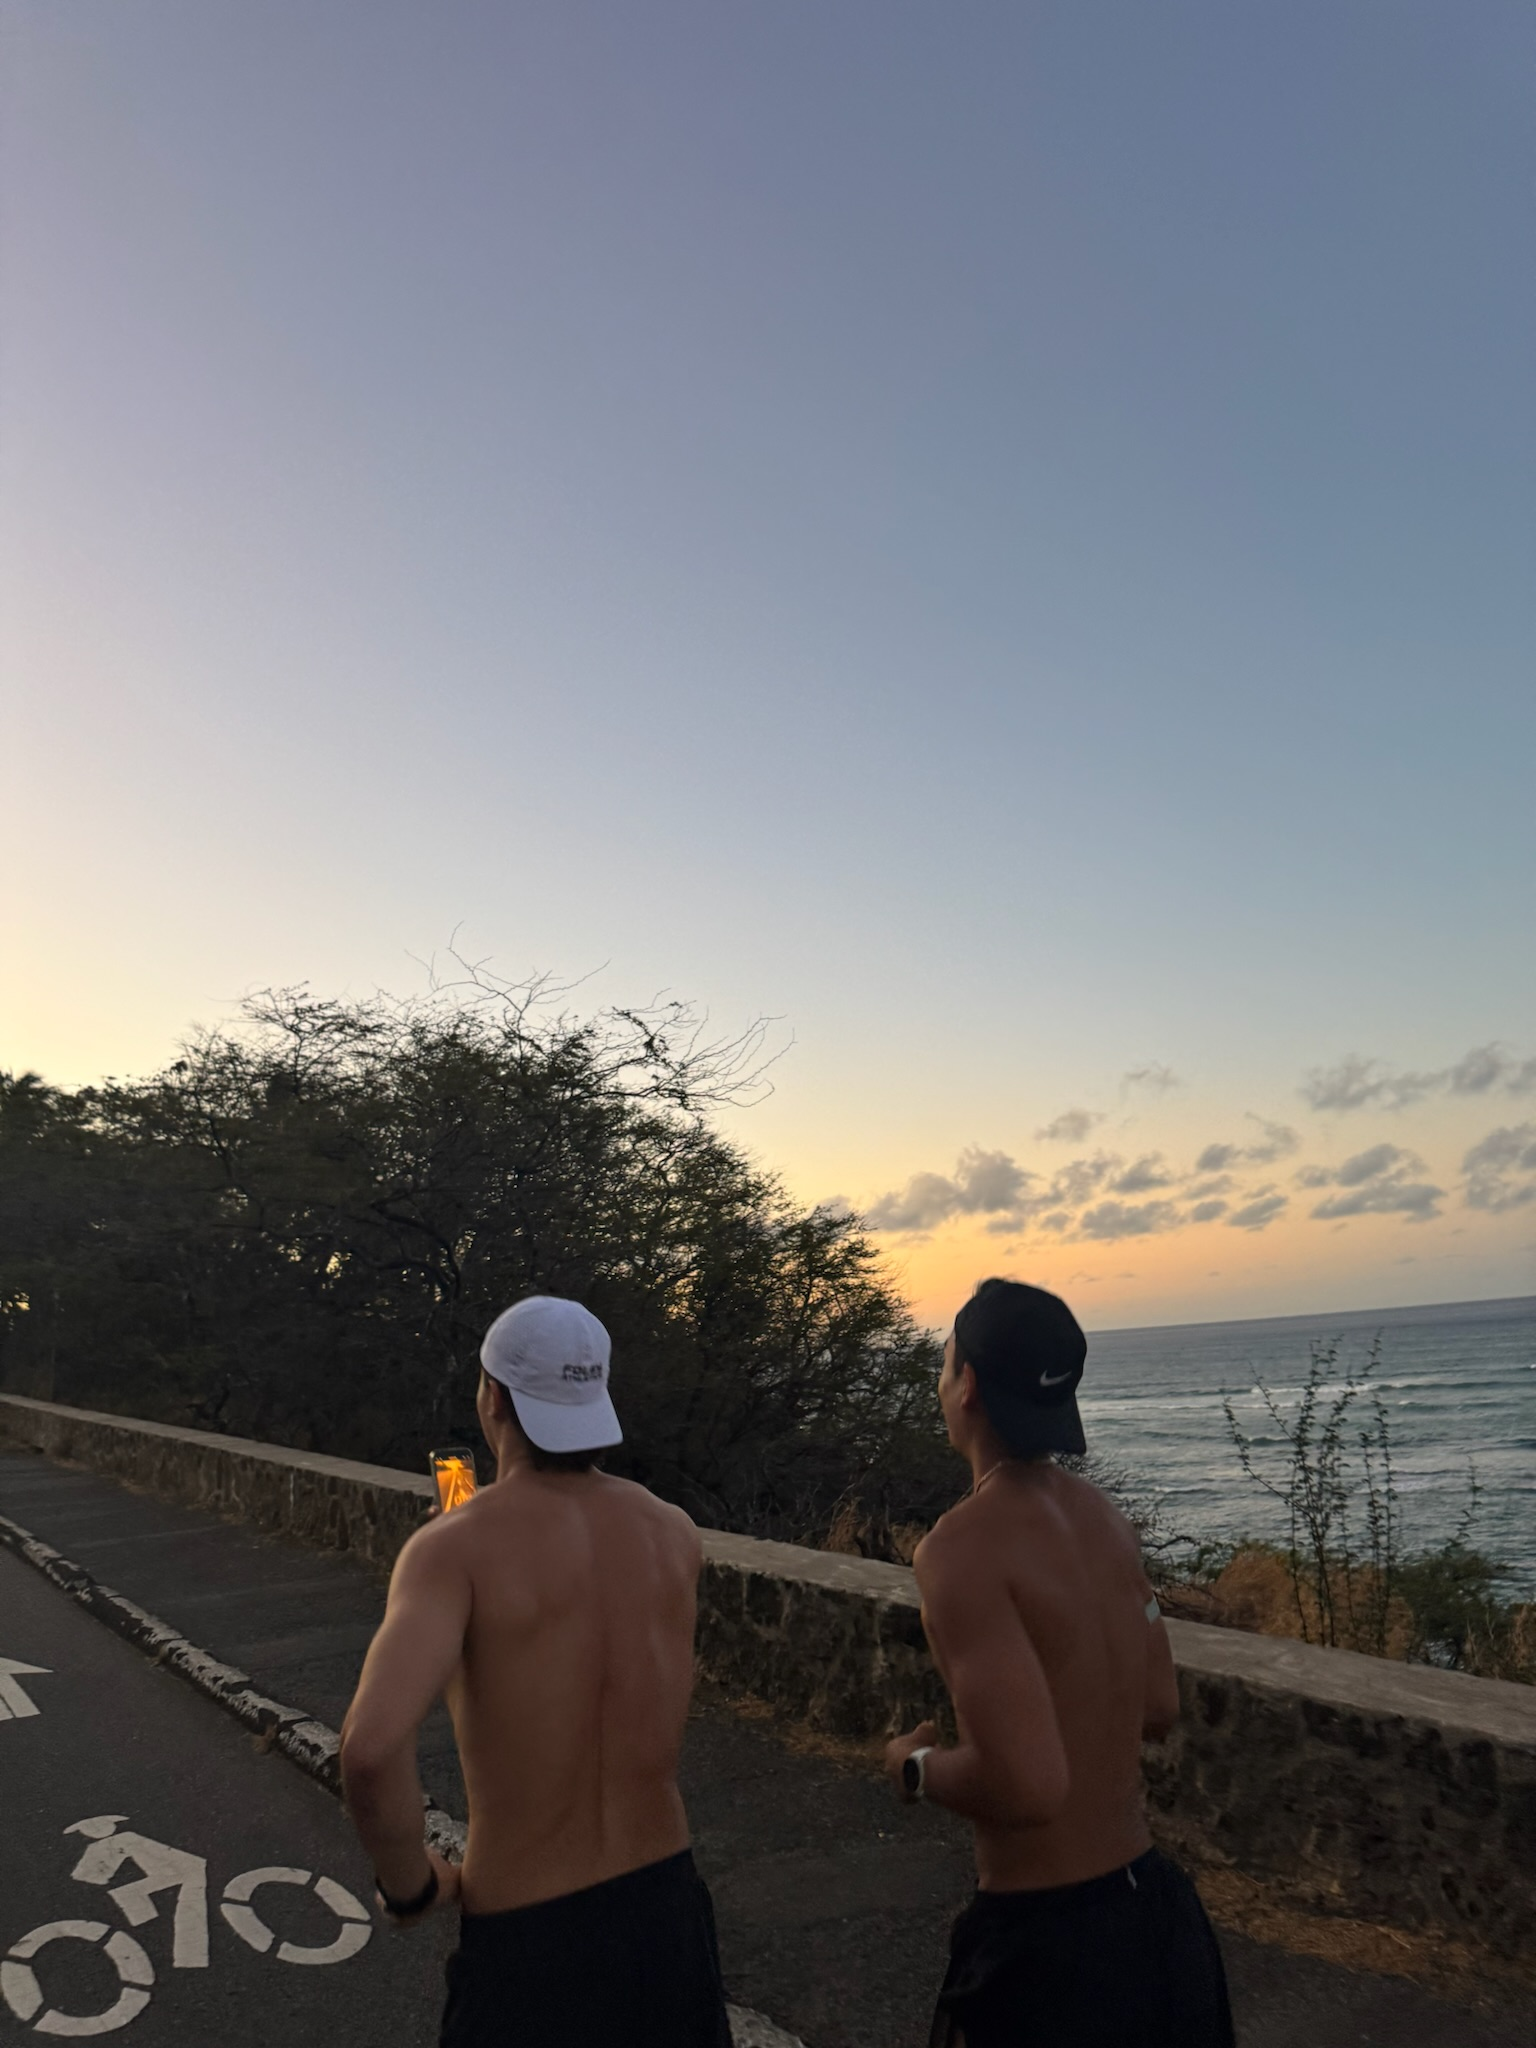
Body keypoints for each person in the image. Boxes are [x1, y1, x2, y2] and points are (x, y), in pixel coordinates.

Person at [339, 1293, 732, 2048]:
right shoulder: (673, 1532)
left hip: (531, 1937)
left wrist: (410, 1886)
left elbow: (369, 1749)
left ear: (492, 1397)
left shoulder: (454, 1548)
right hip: (668, 1918)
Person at [884, 1278, 1234, 2048]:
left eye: (945, 1363)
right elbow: (1159, 1707)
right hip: (1159, 1924)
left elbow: (1026, 1786)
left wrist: (915, 1767)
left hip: (1052, 1954)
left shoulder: (958, 1549)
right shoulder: (1106, 1521)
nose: (942, 1382)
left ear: (968, 1386)